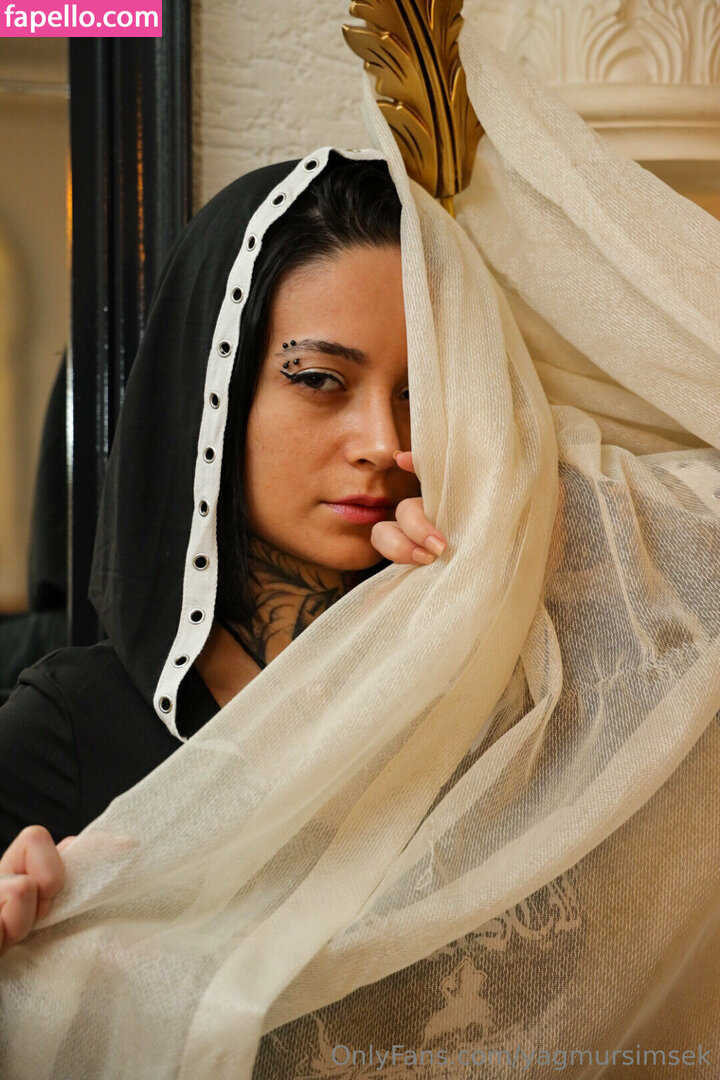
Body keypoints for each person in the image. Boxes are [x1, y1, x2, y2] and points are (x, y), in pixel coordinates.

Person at [0, 151, 448, 954]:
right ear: (215, 390)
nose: (384, 442)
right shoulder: (71, 730)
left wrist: (494, 552)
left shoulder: (478, 669)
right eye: (320, 380)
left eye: (419, 392)